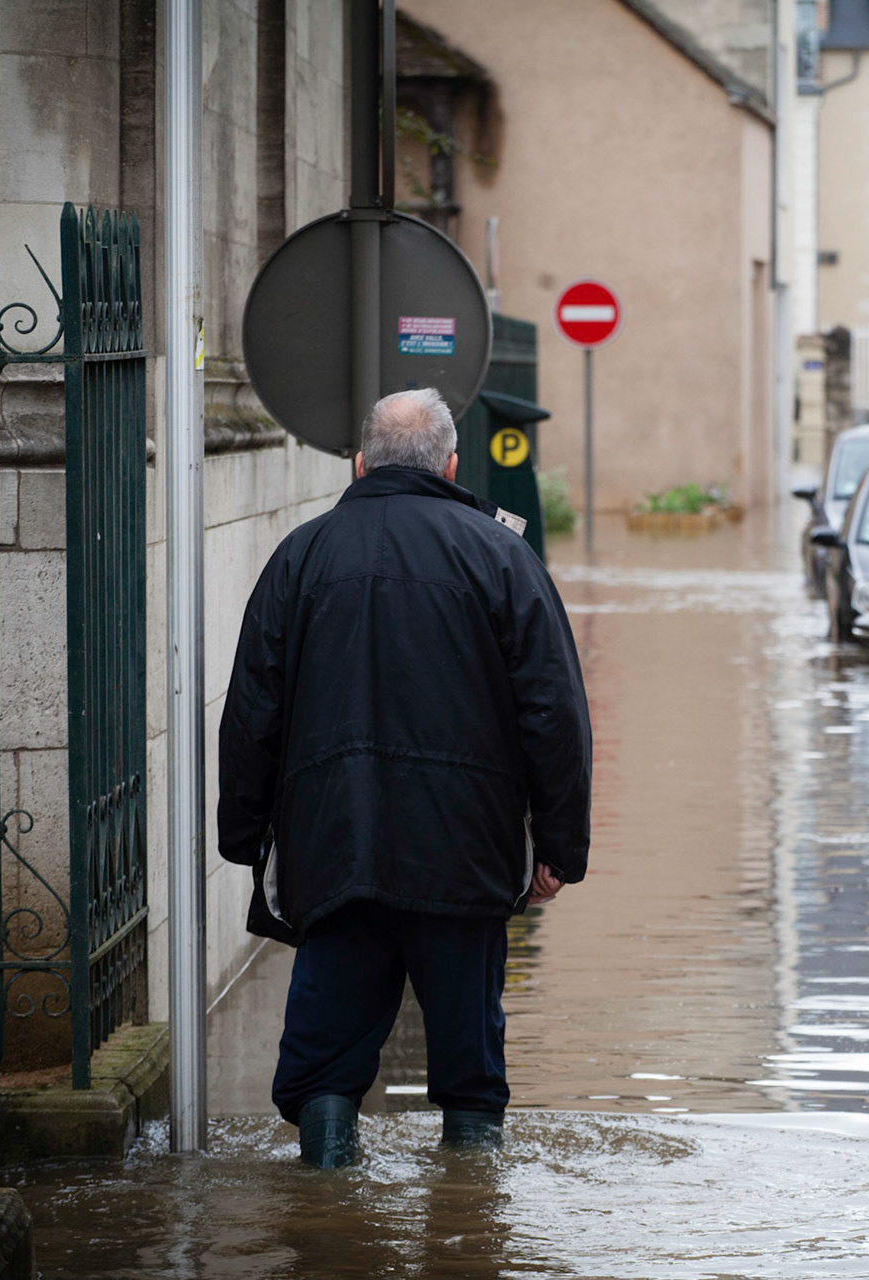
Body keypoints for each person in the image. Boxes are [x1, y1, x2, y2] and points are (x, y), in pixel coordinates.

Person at [217, 387, 591, 1167]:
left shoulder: (303, 555)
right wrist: (559, 846)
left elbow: (253, 707)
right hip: (466, 850)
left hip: (334, 846)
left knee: (324, 1056)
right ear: (452, 465)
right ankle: (469, 1216)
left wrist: (245, 832)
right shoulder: (502, 556)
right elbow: (554, 713)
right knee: (470, 1066)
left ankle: (324, 1205)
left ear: (359, 463)